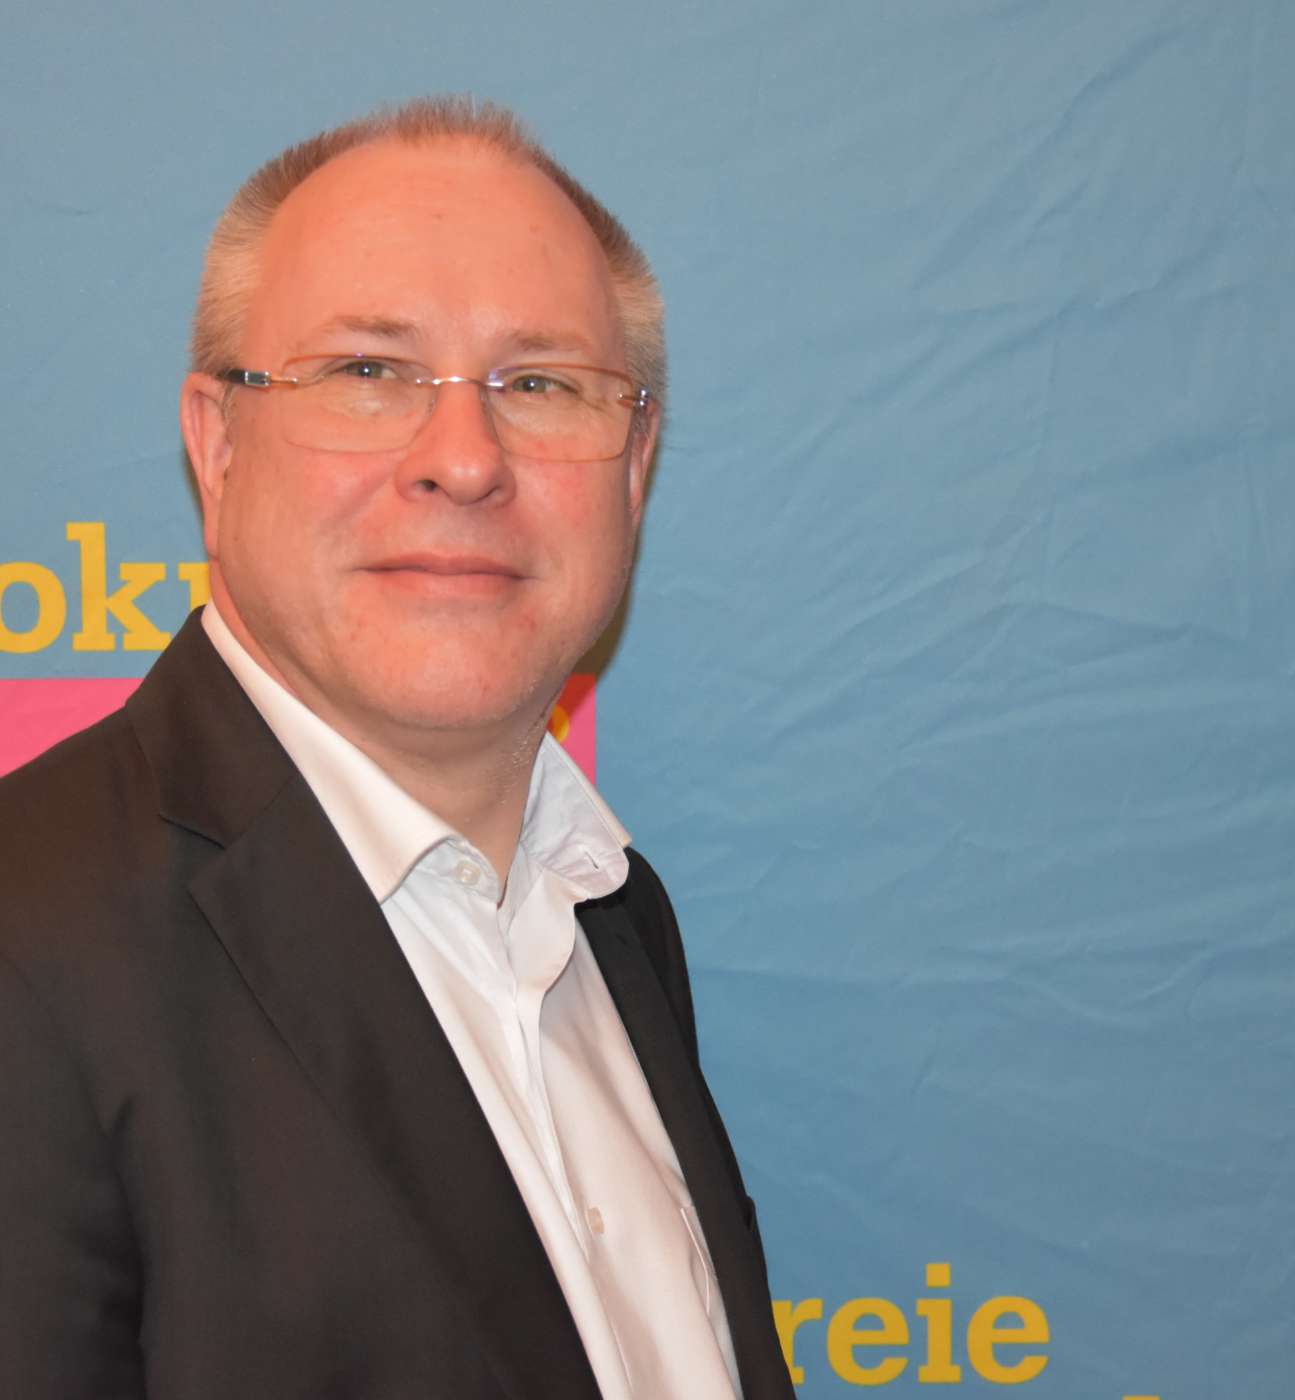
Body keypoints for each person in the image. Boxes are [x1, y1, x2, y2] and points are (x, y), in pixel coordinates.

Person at [0, 97, 794, 1399]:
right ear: (218, 444)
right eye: (368, 373)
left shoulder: (614, 912)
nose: (465, 462)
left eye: (541, 384)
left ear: (635, 465)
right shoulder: (29, 941)